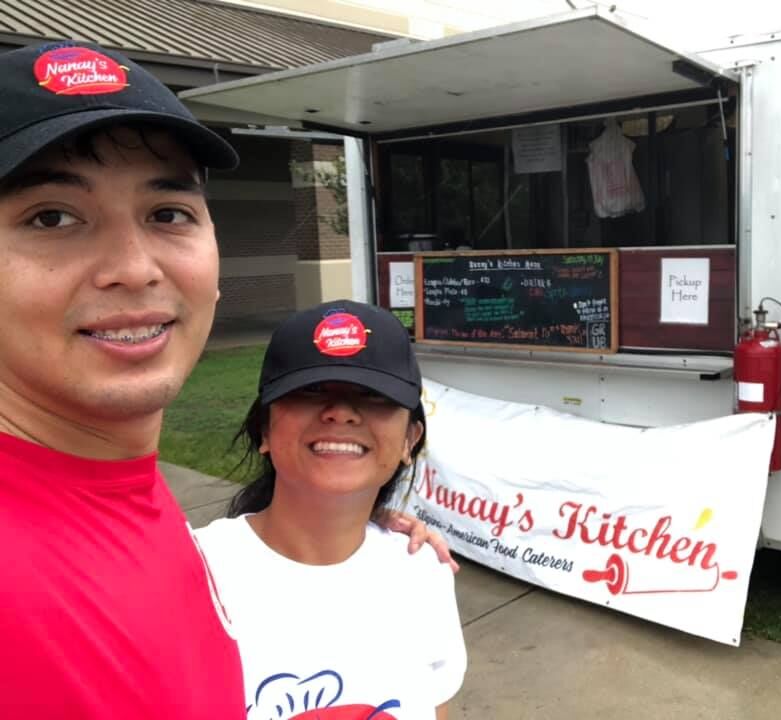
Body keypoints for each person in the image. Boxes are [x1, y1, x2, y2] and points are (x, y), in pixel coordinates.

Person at [0, 41, 453, 718]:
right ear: (264, 428)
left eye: (167, 213)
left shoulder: (132, 503)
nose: (135, 266)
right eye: (52, 217)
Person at [196, 300, 467, 720]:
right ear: (264, 429)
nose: (340, 412)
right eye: (310, 391)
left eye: (374, 396)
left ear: (410, 440)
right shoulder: (193, 576)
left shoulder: (421, 571)